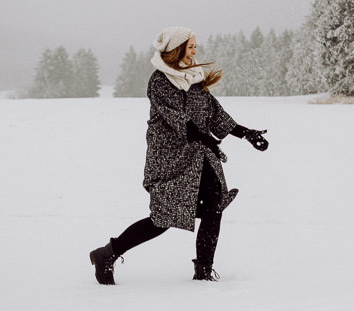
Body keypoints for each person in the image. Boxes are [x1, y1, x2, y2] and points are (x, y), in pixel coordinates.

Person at [89, 26, 269, 285]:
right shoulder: (160, 81)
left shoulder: (195, 77)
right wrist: (206, 138)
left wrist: (246, 133)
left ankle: (203, 271)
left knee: (213, 207)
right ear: (176, 50)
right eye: (190, 46)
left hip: (200, 158)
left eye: (195, 46)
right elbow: (179, 119)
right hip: (170, 161)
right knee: (162, 219)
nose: (195, 51)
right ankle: (108, 253)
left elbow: (214, 113)